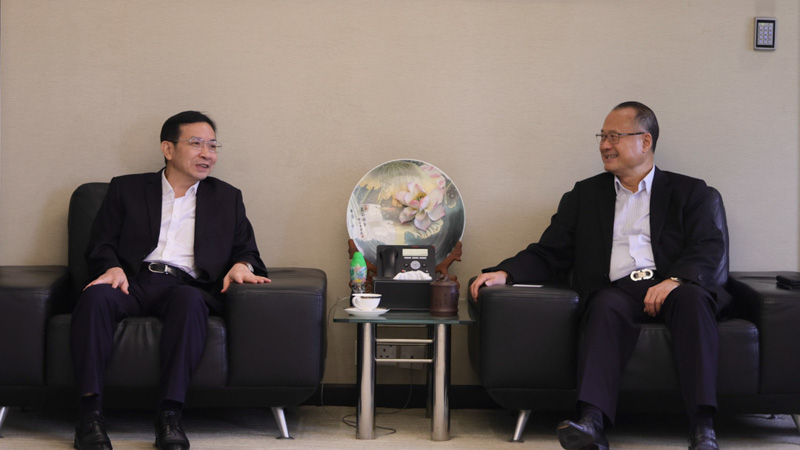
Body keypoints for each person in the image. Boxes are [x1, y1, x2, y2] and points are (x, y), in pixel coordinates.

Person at [470, 102, 729, 450]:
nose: (605, 145)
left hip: (673, 284)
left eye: (615, 136)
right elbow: (550, 252)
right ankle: (591, 422)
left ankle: (703, 428)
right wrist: (506, 272)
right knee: (604, 305)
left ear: (645, 141)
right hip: (617, 290)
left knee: (695, 299)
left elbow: (709, 245)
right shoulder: (585, 195)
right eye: (603, 137)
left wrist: (676, 280)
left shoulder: (690, 192)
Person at [71, 111, 270, 450]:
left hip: (184, 287)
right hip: (130, 280)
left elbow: (247, 249)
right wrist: (112, 267)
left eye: (212, 145)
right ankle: (89, 416)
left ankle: (170, 416)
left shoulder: (227, 197)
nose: (207, 154)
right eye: (196, 144)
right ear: (168, 148)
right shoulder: (126, 188)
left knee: (190, 302)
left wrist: (242, 264)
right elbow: (100, 243)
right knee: (95, 297)